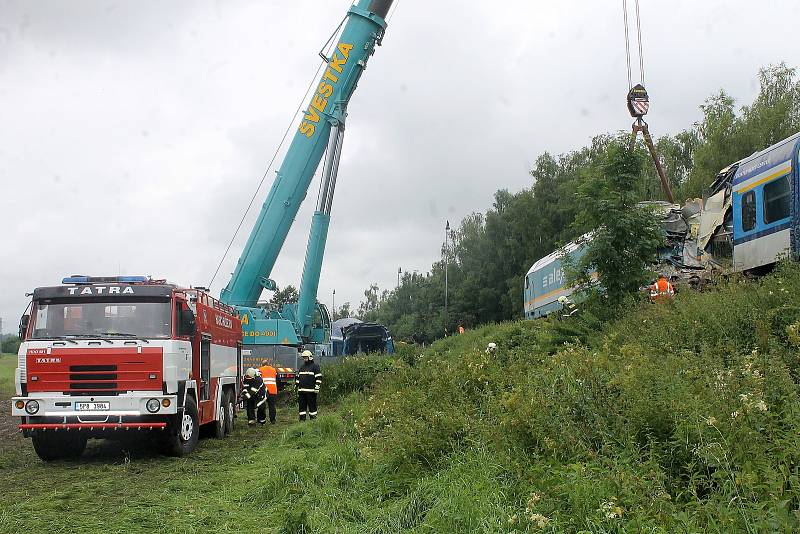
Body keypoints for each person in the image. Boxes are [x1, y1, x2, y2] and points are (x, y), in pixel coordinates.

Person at [297, 350, 322, 421]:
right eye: (304, 358)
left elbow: (319, 378)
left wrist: (317, 387)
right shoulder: (302, 367)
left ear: (310, 357)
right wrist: (296, 386)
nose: (304, 359)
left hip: (311, 391)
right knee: (301, 407)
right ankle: (302, 420)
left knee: (312, 407)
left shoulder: (315, 367)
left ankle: (313, 420)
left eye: (306, 357)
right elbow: (298, 378)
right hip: (301, 391)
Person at [258, 359, 278, 425]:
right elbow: (278, 380)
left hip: (263, 391)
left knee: (262, 406)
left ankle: (262, 420)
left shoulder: (260, 370)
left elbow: (257, 380)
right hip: (273, 390)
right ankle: (273, 420)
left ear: (262, 364)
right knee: (272, 406)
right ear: (268, 364)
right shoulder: (273, 369)